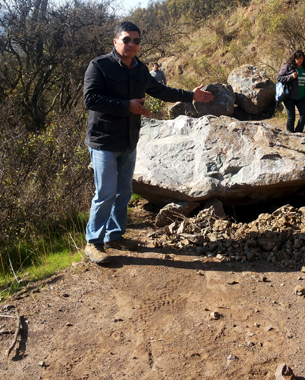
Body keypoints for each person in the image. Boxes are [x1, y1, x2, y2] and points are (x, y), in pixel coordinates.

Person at [83, 21, 214, 264]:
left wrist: (190, 95)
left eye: (136, 41)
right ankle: (94, 243)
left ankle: (115, 236)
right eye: (127, 40)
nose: (132, 44)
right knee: (105, 193)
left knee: (124, 191)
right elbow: (90, 99)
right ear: (115, 41)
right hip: (104, 141)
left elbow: (162, 92)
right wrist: (127, 106)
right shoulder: (99, 66)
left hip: (129, 140)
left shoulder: (140, 70)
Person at [276, 50, 305, 133]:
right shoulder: (288, 67)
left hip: (301, 96)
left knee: (304, 115)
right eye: (297, 58)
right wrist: (290, 76)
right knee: (291, 118)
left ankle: (298, 133)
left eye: (301, 58)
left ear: (303, 58)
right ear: (294, 59)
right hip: (289, 96)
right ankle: (290, 135)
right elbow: (279, 78)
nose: (299, 60)